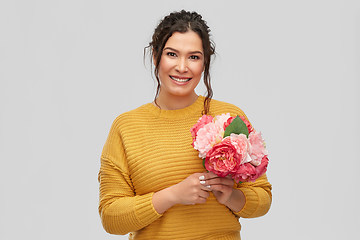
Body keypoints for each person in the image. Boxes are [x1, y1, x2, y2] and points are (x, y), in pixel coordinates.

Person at [98, 10, 272, 240]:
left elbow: (263, 198)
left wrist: (230, 197)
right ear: (155, 57)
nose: (182, 67)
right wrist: (172, 195)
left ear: (204, 62)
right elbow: (111, 218)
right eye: (172, 54)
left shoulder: (230, 117)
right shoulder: (127, 126)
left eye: (194, 57)